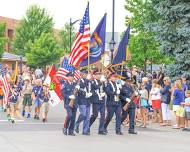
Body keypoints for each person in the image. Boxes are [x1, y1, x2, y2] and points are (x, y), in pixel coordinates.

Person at [75, 70, 92, 135]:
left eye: (86, 74)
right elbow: (78, 89)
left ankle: (85, 131)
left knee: (87, 117)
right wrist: (85, 93)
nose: (85, 75)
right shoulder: (78, 81)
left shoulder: (88, 81)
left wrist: (91, 93)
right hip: (82, 100)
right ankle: (77, 123)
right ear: (81, 74)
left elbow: (93, 88)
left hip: (88, 100)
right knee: (83, 114)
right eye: (84, 74)